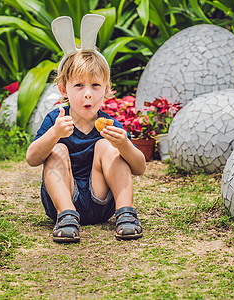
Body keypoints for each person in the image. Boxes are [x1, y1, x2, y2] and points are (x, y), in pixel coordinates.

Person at [26, 14, 146, 243]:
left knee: (107, 145)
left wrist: (123, 144)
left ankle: (126, 212)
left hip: (101, 204)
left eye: (95, 85)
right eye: (79, 85)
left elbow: (139, 167)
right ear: (63, 88)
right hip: (62, 204)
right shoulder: (56, 119)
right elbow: (32, 158)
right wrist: (54, 135)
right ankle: (67, 215)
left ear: (106, 89)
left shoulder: (110, 124)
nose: (87, 93)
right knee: (57, 150)